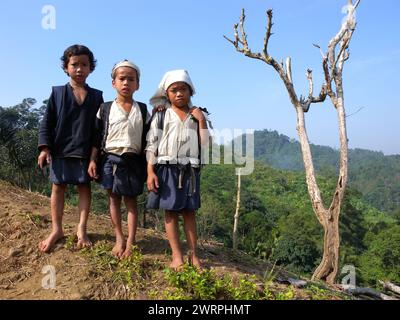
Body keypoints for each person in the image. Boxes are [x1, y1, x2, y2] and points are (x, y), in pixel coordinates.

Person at [38, 44, 104, 252]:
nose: (79, 69)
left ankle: (81, 229)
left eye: (84, 64)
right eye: (74, 64)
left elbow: (98, 131)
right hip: (60, 150)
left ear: (90, 68)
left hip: (85, 152)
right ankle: (56, 229)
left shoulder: (96, 96)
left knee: (85, 188)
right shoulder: (57, 93)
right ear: (66, 67)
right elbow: (47, 122)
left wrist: (94, 157)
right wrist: (44, 148)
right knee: (58, 188)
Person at [146, 70, 210, 269]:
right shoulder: (161, 115)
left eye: (183, 89)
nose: (179, 93)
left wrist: (202, 121)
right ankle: (176, 256)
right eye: (174, 90)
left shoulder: (198, 115)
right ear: (167, 94)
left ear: (191, 91)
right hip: (166, 168)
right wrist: (150, 171)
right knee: (171, 213)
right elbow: (152, 144)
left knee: (189, 213)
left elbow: (206, 144)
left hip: (189, 169)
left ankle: (193, 255)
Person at [88, 60, 149, 259]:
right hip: (110, 160)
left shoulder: (142, 109)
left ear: (137, 85)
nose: (126, 83)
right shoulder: (104, 109)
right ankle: (119, 238)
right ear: (113, 83)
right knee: (113, 198)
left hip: (133, 161)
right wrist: (93, 161)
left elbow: (149, 140)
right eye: (121, 78)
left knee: (131, 202)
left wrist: (149, 169)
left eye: (131, 79)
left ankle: (131, 241)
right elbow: (97, 138)